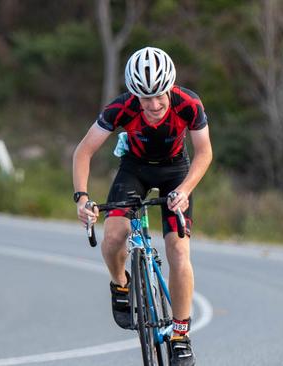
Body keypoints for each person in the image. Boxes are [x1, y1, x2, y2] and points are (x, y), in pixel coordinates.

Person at [72, 46, 212, 366]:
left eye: (159, 95)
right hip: (134, 168)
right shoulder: (120, 108)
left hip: (176, 171)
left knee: (178, 250)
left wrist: (186, 189)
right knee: (112, 237)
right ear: (134, 95)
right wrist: (82, 198)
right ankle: (121, 285)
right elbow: (83, 152)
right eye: (145, 98)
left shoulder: (188, 104)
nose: (154, 104)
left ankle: (180, 334)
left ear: (170, 88)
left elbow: (204, 152)